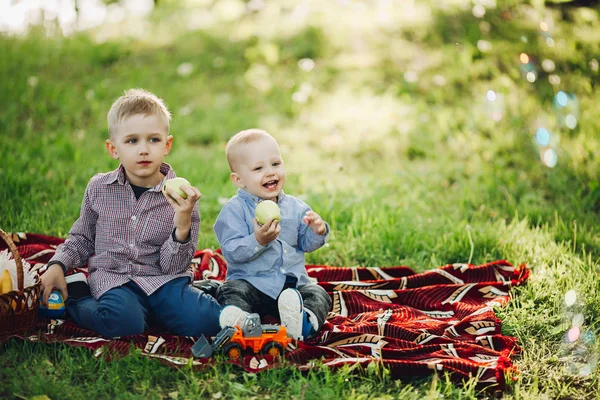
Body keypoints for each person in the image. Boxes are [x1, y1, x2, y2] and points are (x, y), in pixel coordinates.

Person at [40, 88, 228, 338]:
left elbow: (174, 265)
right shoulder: (99, 188)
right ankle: (76, 296)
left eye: (153, 140)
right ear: (113, 149)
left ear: (167, 144)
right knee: (124, 325)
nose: (143, 150)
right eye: (132, 141)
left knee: (208, 323)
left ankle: (166, 307)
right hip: (114, 279)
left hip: (163, 281)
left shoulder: (182, 197)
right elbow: (82, 237)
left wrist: (182, 225)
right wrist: (57, 265)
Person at [214, 128, 332, 340]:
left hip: (292, 287)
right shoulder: (234, 211)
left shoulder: (296, 208)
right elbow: (232, 252)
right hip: (251, 284)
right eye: (258, 168)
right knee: (231, 291)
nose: (270, 172)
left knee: (318, 294)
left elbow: (306, 243)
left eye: (276, 164)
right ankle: (240, 322)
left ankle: (303, 323)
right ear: (239, 180)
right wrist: (258, 240)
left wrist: (318, 230)